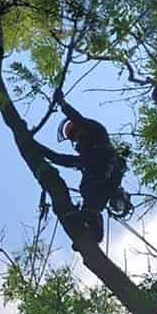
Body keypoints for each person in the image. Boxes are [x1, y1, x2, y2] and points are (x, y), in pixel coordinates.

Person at [41, 92, 130, 242]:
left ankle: (91, 215)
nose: (77, 139)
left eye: (76, 134)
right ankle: (91, 225)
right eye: (73, 138)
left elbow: (78, 119)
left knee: (92, 179)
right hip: (101, 184)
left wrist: (62, 103)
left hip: (108, 170)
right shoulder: (87, 157)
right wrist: (38, 149)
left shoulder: (98, 136)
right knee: (87, 187)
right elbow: (62, 159)